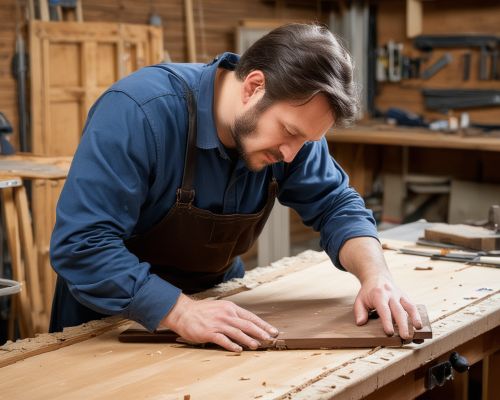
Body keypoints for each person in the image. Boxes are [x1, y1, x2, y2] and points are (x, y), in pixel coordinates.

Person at [49, 23, 422, 352]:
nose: (293, 155)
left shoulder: (296, 136)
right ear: (254, 86)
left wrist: (376, 277)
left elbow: (337, 205)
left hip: (216, 303)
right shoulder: (139, 112)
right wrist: (179, 311)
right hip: (109, 322)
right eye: (290, 132)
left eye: (306, 141)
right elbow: (83, 244)